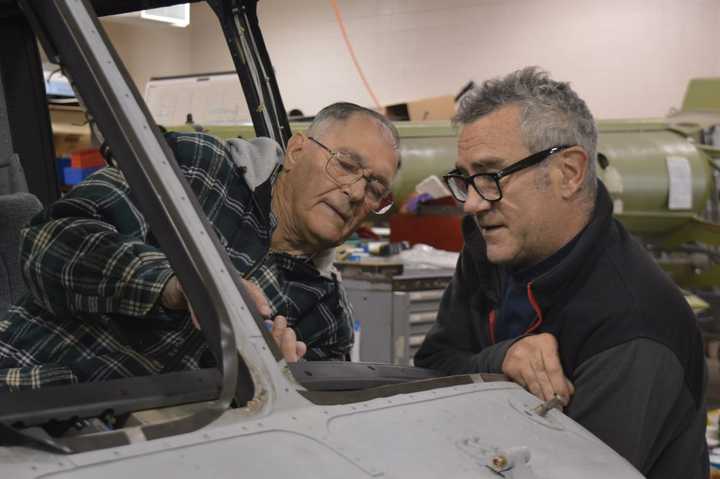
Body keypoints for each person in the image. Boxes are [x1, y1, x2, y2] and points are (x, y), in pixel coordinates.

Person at [414, 67, 708, 478]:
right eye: (466, 180)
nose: (472, 204)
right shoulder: (489, 253)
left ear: (568, 173)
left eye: (490, 176)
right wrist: (503, 359)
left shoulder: (633, 327)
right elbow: (429, 367)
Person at [0, 102, 400, 389]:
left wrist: (270, 378)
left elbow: (287, 432)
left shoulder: (326, 316)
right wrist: (178, 285)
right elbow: (49, 245)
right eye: (346, 165)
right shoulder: (195, 167)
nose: (353, 191)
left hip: (142, 444)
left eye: (374, 188)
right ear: (296, 151)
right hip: (28, 381)